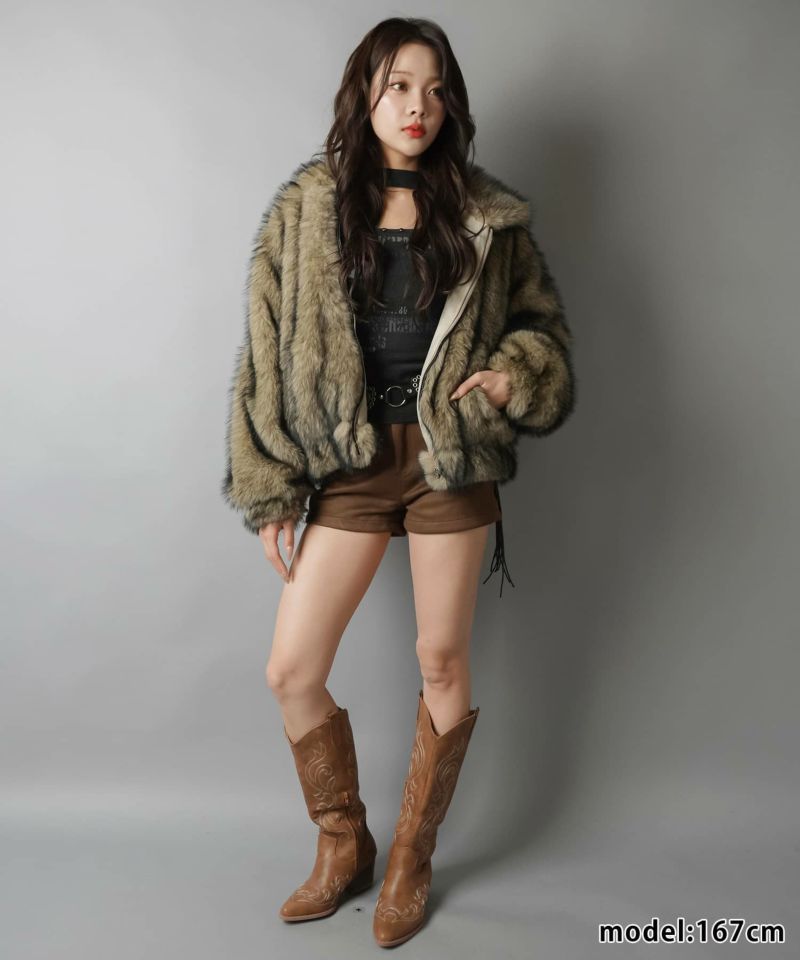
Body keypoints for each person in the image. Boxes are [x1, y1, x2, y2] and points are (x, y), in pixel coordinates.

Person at [221, 16, 576, 948]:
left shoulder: (488, 217)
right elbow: (265, 349)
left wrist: (511, 376)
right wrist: (272, 486)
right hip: (349, 462)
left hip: (447, 459)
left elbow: (541, 332)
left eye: (434, 88)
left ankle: (412, 858)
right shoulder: (308, 209)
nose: (418, 106)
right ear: (365, 96)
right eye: (398, 86)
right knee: (292, 669)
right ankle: (346, 844)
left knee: (441, 660)